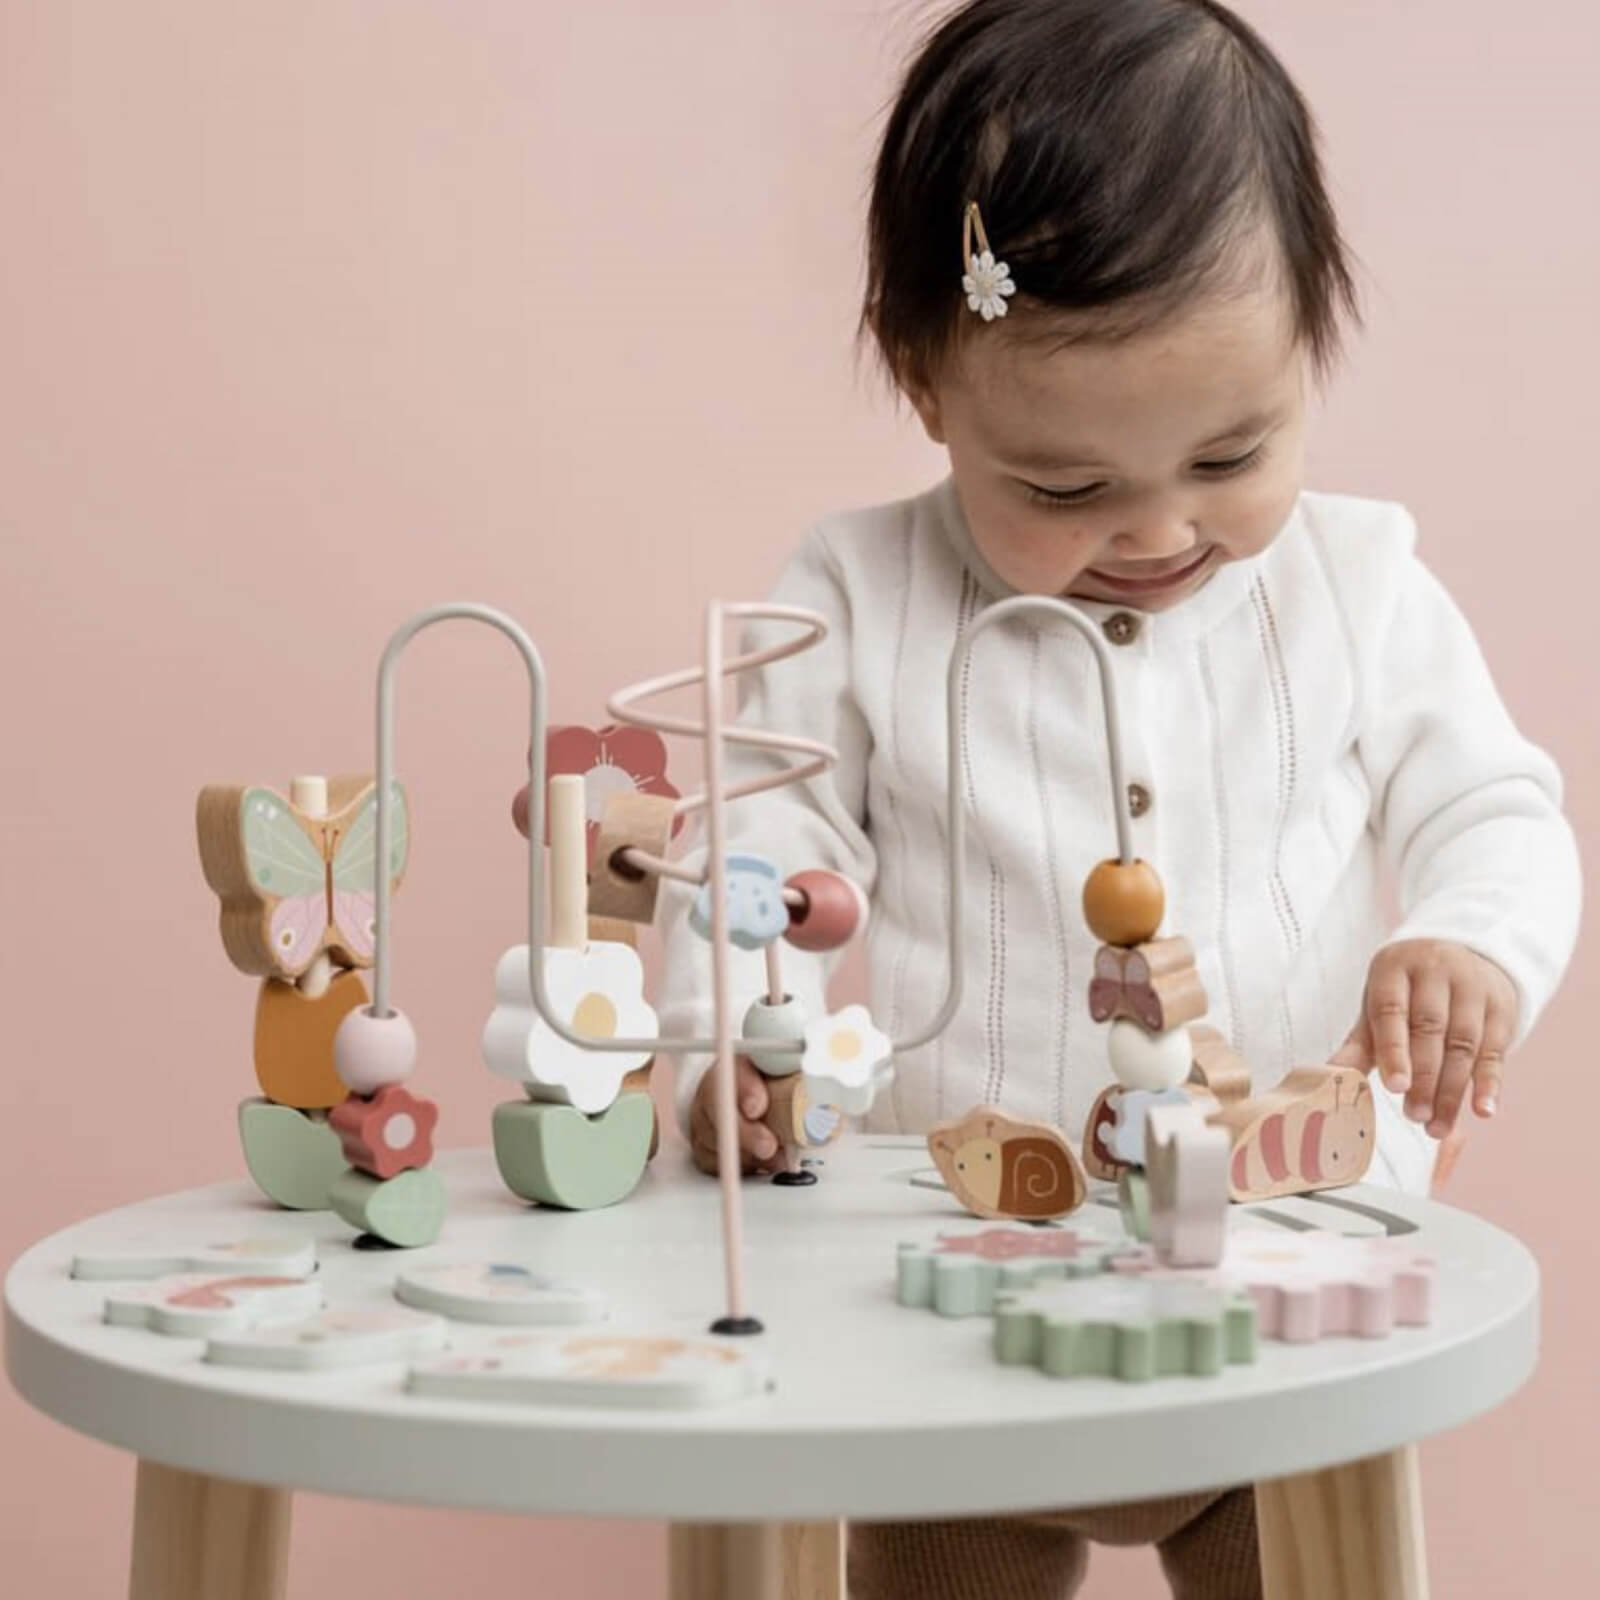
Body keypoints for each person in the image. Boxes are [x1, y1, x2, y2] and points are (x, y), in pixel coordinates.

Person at [653, 3, 1581, 1594]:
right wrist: (734, 1043)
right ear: (925, 382)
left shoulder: (1361, 589)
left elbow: (1494, 809)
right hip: (948, 1297)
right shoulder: (861, 595)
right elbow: (756, 848)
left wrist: (1469, 946)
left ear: (1314, 349)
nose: (1157, 532)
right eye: (1064, 489)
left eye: (1234, 453)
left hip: (1288, 1283)